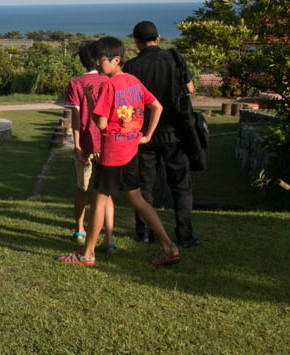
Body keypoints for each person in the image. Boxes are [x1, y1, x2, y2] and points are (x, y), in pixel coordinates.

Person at [58, 37, 180, 268]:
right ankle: (168, 247)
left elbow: (102, 124)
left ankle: (87, 254)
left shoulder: (109, 85)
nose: (97, 65)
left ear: (116, 60)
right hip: (131, 148)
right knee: (136, 198)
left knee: (99, 199)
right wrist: (147, 135)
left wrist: (94, 111)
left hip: (113, 150)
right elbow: (157, 106)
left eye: (101, 61)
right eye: (95, 60)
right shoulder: (133, 81)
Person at [123, 20, 199, 247]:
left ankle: (144, 232)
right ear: (158, 39)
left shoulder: (131, 67)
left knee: (145, 186)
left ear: (136, 42)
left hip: (143, 134)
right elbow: (191, 88)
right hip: (175, 132)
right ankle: (184, 234)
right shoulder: (174, 58)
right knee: (181, 185)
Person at [64, 41, 115, 250]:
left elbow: (75, 117)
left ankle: (79, 229)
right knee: (106, 192)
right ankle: (109, 238)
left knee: (82, 188)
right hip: (106, 144)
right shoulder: (109, 81)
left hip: (85, 143)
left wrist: (76, 145)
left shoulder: (75, 83)